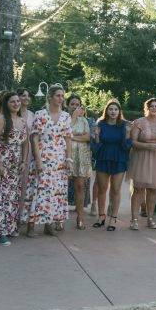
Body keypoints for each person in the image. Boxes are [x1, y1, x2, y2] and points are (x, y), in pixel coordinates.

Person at [25, 85, 71, 237]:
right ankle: (31, 226)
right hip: (43, 156)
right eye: (57, 95)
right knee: (38, 190)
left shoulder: (65, 116)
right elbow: (34, 138)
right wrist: (38, 160)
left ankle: (49, 224)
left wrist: (68, 159)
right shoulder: (41, 114)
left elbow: (68, 139)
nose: (60, 99)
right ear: (50, 97)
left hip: (59, 158)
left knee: (55, 192)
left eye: (62, 96)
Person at [0, 92, 27, 245]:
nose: (16, 104)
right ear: (5, 103)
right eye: (12, 102)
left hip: (14, 164)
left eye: (18, 101)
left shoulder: (22, 120)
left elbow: (25, 143)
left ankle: (9, 228)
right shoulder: (0, 118)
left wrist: (24, 161)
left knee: (11, 197)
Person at [128, 98, 156, 230]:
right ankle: (134, 219)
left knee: (153, 189)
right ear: (146, 108)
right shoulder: (139, 122)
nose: (154, 108)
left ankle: (150, 218)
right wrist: (148, 146)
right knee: (138, 189)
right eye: (151, 106)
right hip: (141, 158)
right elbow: (133, 141)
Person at [92, 99, 130, 231]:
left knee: (115, 189)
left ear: (119, 111)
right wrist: (96, 136)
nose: (113, 112)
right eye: (110, 109)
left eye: (115, 109)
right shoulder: (100, 123)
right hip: (103, 157)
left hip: (119, 158)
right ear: (106, 111)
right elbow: (95, 145)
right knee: (102, 188)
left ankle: (113, 218)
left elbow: (126, 146)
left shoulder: (125, 125)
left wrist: (128, 134)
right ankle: (101, 216)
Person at [66, 94, 94, 229]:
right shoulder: (63, 118)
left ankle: (80, 216)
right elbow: (63, 133)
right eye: (72, 104)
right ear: (68, 106)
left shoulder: (84, 121)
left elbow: (88, 137)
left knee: (79, 186)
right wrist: (73, 119)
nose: (75, 107)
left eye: (78, 104)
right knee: (61, 187)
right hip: (66, 155)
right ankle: (58, 218)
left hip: (81, 156)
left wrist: (72, 137)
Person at [15, 87, 35, 234]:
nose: (26, 98)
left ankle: (21, 214)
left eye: (28, 96)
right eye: (23, 95)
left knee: (25, 183)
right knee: (14, 183)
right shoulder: (11, 113)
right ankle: (12, 214)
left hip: (28, 151)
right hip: (13, 150)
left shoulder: (32, 115)